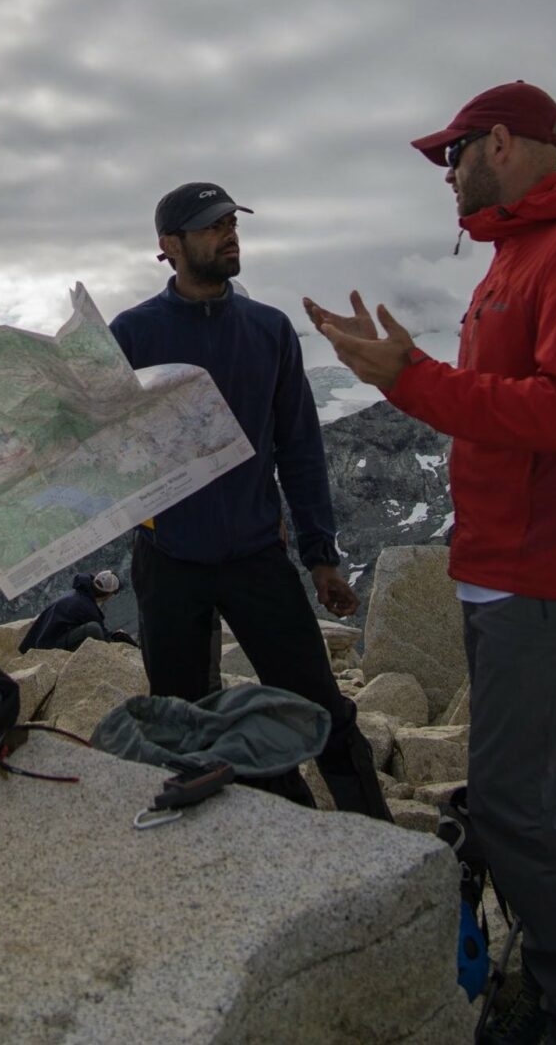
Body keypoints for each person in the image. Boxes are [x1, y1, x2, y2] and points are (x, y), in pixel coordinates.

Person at [305, 81, 556, 1045]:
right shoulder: (517, 257)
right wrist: (409, 369)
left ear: (502, 142)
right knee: (540, 790)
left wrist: (407, 377)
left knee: (513, 805)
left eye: (452, 155)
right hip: (506, 565)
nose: (446, 175)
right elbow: (503, 397)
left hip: (551, 568)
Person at [109, 182, 390, 821]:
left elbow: (299, 446)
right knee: (181, 722)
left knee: (321, 710)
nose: (229, 234)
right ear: (169, 247)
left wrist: (321, 555)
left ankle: (382, 837)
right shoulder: (131, 333)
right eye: (212, 226)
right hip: (168, 558)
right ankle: (216, 854)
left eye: (232, 222)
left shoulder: (268, 330)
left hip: (256, 555)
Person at [18, 569, 136, 654]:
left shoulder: (78, 594)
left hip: (40, 640)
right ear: (108, 595)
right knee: (93, 628)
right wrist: (118, 637)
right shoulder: (88, 608)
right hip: (48, 648)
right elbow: (102, 635)